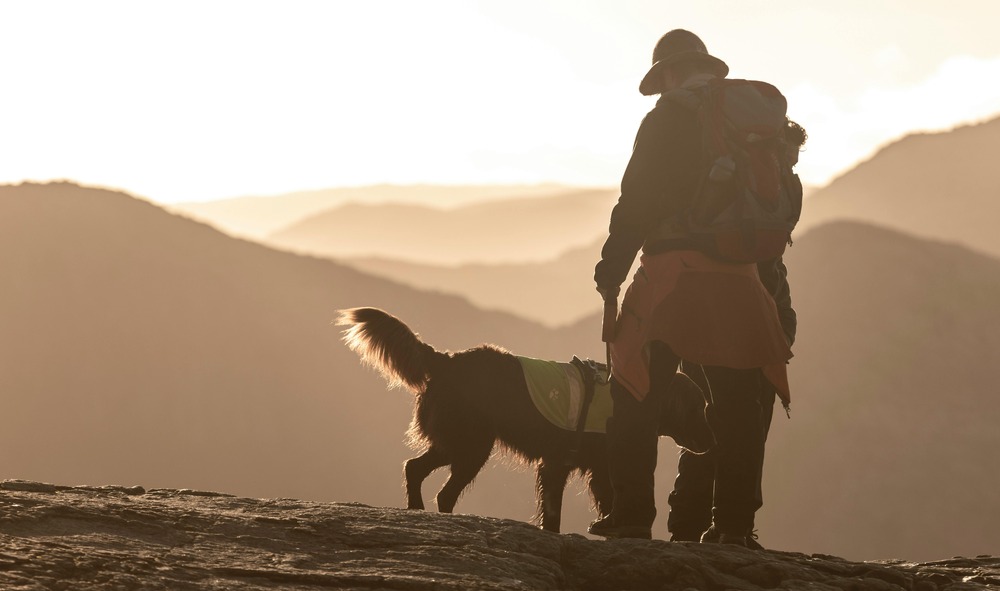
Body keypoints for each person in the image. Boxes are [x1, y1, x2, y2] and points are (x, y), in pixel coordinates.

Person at [589, 29, 797, 546]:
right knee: (736, 409)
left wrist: (610, 270)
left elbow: (635, 201)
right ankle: (732, 528)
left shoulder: (667, 117)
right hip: (742, 281)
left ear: (669, 74)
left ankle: (632, 519)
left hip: (673, 277)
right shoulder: (749, 125)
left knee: (635, 391)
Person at [668, 120, 807, 549]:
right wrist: (784, 327)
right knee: (746, 429)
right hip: (753, 323)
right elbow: (771, 269)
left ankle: (687, 527)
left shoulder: (720, 180)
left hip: (698, 316)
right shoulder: (776, 191)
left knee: (707, 424)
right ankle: (732, 528)